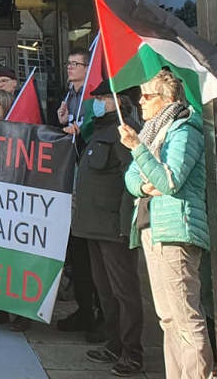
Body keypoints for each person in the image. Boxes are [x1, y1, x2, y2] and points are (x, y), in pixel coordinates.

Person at [119, 69, 212, 379]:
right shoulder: (152, 134)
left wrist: (138, 151)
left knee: (186, 318)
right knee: (168, 319)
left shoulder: (184, 131)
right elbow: (132, 178)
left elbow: (169, 181)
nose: (140, 102)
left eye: (147, 96)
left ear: (166, 99)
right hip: (153, 228)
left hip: (176, 230)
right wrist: (146, 184)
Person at [74, 82, 144, 377]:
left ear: (119, 100)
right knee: (105, 292)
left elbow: (132, 182)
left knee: (124, 292)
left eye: (103, 97)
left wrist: (125, 225)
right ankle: (114, 343)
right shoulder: (99, 130)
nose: (98, 102)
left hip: (114, 227)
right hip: (93, 225)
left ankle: (132, 352)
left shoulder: (124, 133)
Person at [55, 47, 103, 338]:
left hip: (87, 186)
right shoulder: (68, 96)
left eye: (76, 64)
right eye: (68, 63)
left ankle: (98, 314)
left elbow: (92, 132)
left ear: (88, 68)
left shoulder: (92, 98)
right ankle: (84, 310)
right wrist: (61, 121)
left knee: (90, 258)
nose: (70, 68)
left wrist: (79, 128)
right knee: (77, 254)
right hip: (69, 184)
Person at [0, 88, 32, 332]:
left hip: (14, 205)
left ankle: (22, 312)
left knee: (16, 262)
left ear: (7, 106)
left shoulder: (20, 135)